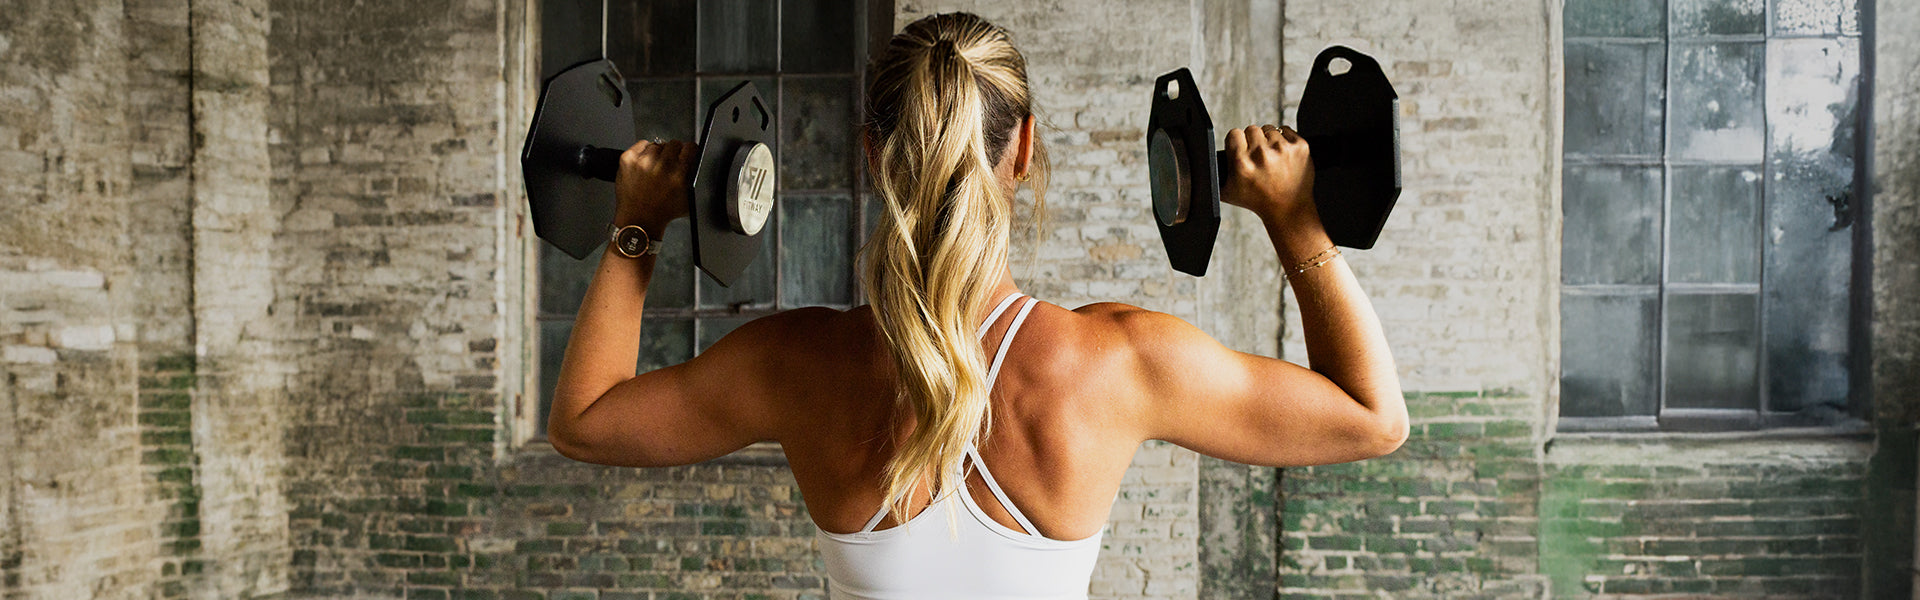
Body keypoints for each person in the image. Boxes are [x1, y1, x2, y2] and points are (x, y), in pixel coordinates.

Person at [546, 12, 1404, 600]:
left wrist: (637, 225)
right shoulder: (1124, 363)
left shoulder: (792, 365)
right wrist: (1297, 223)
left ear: (875, 155)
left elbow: (584, 421)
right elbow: (1372, 419)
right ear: (1024, 148)